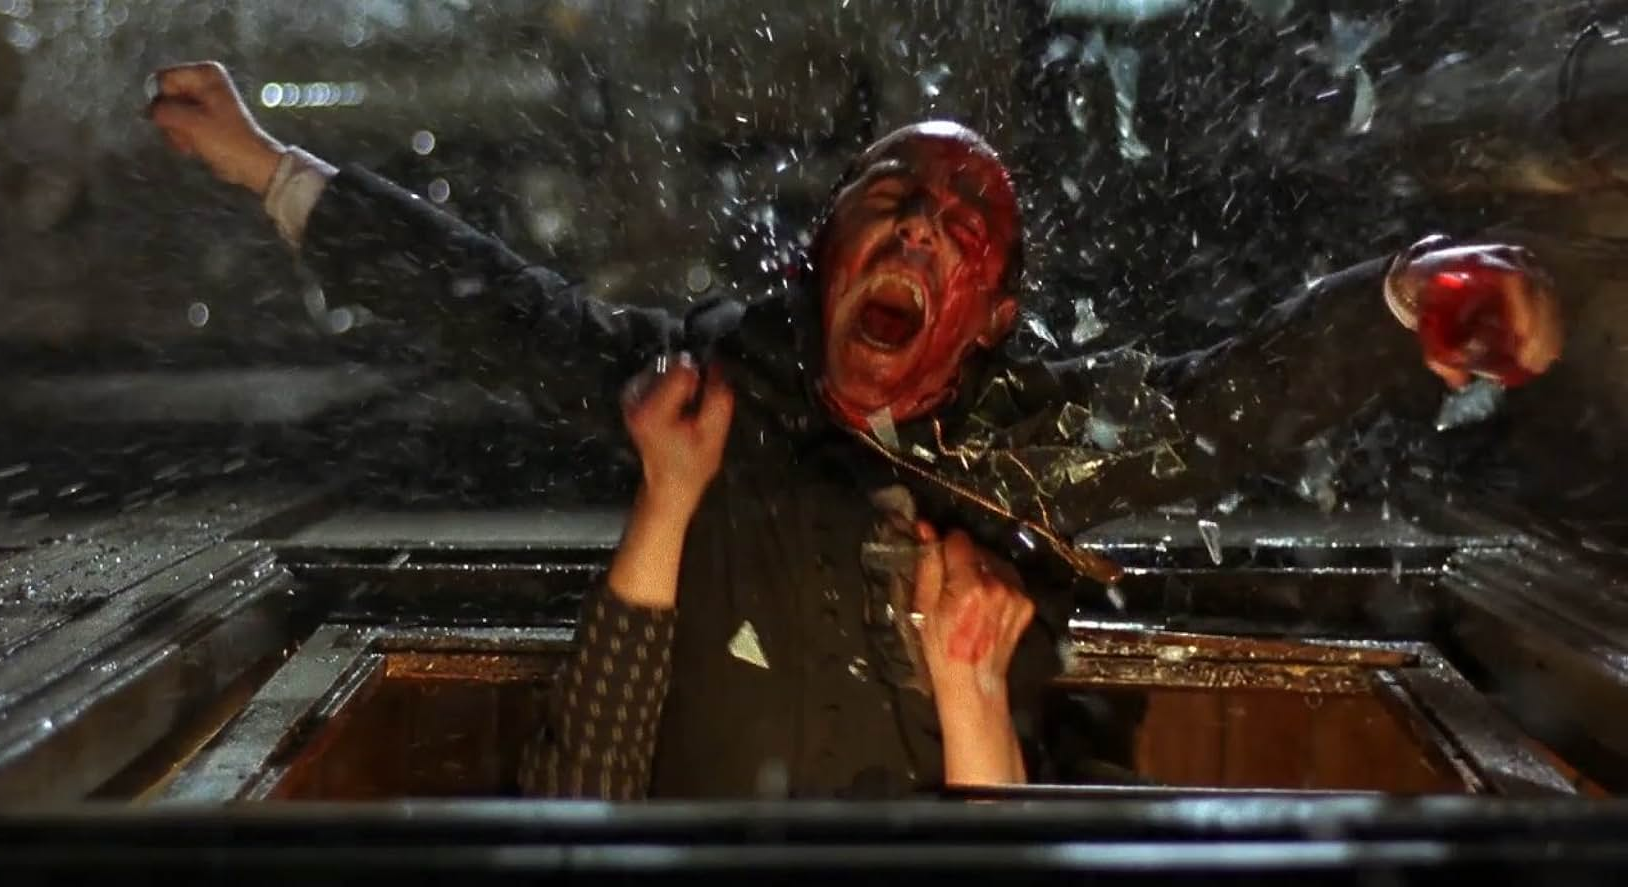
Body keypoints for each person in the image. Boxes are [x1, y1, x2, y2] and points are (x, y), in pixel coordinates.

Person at [146, 61, 1564, 799]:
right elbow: (495, 308)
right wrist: (272, 167)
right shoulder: (706, 399)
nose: (918, 230)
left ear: (994, 312)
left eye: (962, 225)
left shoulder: (1034, 449)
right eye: (890, 200)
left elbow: (1229, 402)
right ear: (824, 250)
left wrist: (1413, 298)